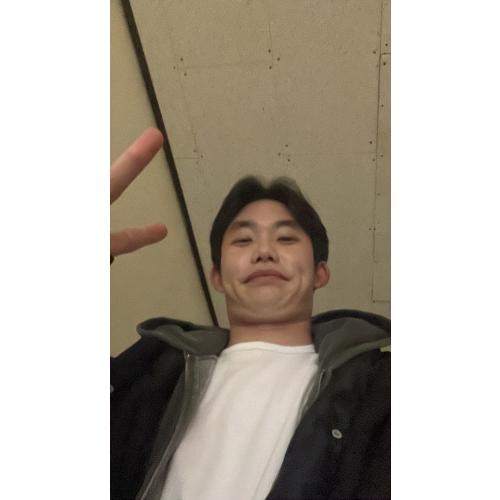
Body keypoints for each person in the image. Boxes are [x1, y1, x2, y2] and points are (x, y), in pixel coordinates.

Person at [111, 128, 391, 500]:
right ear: (217, 277)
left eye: (286, 238)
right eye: (243, 240)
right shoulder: (150, 369)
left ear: (320, 273)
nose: (264, 251)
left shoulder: (379, 387)